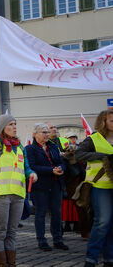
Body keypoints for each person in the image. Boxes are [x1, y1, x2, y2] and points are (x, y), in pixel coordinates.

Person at [0, 86, 37, 267]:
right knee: (0, 233)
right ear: (2, 129)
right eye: (10, 124)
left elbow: (27, 168)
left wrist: (32, 174)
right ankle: (2, 264)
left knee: (12, 233)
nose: (14, 127)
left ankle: (11, 263)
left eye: (15, 124)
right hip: (0, 195)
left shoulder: (20, 148)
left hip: (18, 195)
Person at [75, 110, 113, 267]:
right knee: (102, 221)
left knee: (111, 223)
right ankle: (91, 259)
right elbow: (79, 154)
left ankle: (109, 258)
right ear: (103, 122)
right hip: (100, 186)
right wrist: (101, 156)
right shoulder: (93, 139)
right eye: (112, 120)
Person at [26, 123, 68, 251]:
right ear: (35, 134)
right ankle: (42, 241)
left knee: (56, 212)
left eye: (47, 132)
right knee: (41, 213)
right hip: (40, 185)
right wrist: (51, 170)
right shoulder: (30, 149)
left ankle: (58, 240)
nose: (47, 135)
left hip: (56, 183)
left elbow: (61, 161)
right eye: (44, 132)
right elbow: (32, 167)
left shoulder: (53, 146)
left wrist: (61, 168)